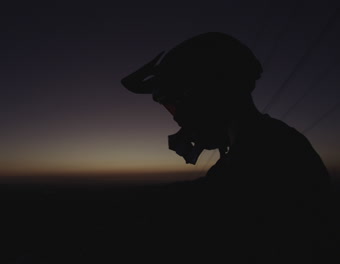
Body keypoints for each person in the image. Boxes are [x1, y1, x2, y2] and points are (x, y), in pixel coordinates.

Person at [121, 32, 332, 263]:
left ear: (208, 93)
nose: (177, 119)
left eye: (175, 104)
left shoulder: (269, 154)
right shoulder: (264, 144)